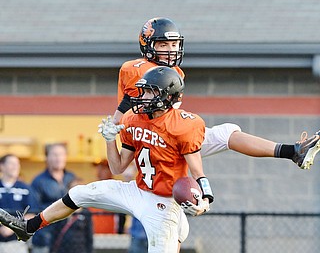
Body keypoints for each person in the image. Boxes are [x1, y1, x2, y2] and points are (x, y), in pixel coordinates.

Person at [0, 66, 214, 253]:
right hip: (137, 190)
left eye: (150, 91)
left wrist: (204, 201)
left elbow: (197, 171)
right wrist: (110, 140)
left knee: (227, 135)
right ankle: (28, 227)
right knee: (80, 193)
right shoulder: (134, 119)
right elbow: (118, 167)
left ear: (167, 96)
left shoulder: (185, 125)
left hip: (163, 203)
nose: (143, 96)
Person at [113, 17, 320, 169]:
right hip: (148, 138)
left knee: (227, 133)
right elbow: (130, 115)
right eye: (163, 44)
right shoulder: (138, 68)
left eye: (174, 44)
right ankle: (293, 151)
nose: (171, 49)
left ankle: (293, 151)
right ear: (147, 45)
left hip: (165, 134)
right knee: (222, 134)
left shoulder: (175, 72)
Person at [30, 143, 76, 253]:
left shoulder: (71, 177)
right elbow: (34, 209)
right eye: (54, 155)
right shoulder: (38, 181)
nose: (58, 158)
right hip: (45, 237)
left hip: (68, 238)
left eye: (61, 154)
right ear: (47, 157)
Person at [0, 154, 38, 253]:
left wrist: (12, 227)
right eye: (11, 163)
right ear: (2, 166)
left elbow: (32, 214)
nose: (15, 166)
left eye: (17, 164)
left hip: (16, 243)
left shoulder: (25, 189)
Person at [50, 177, 93, 253]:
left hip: (80, 249)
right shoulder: (61, 210)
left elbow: (89, 237)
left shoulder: (86, 213)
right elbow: (54, 233)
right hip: (62, 249)